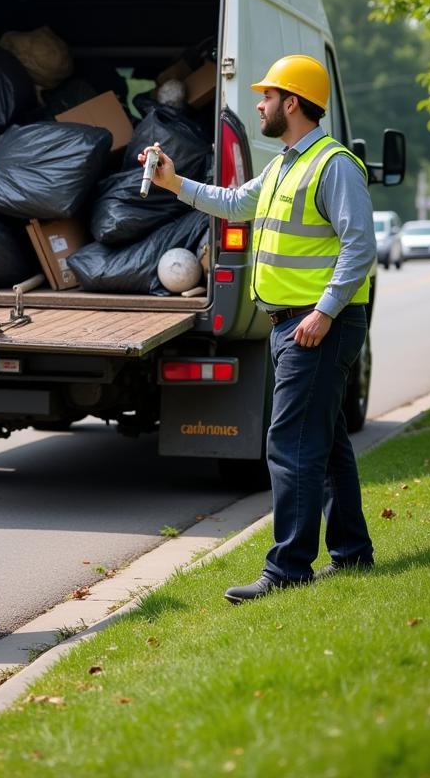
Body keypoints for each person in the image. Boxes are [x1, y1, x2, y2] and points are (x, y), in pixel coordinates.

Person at [140, 54, 377, 604]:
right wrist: (175, 182)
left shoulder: (332, 165)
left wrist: (324, 311)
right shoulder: (284, 164)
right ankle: (352, 553)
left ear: (291, 103)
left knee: (290, 443)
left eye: (266, 96)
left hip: (316, 326)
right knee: (328, 442)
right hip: (296, 324)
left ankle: (287, 568)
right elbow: (233, 204)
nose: (259, 104)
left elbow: (359, 244)